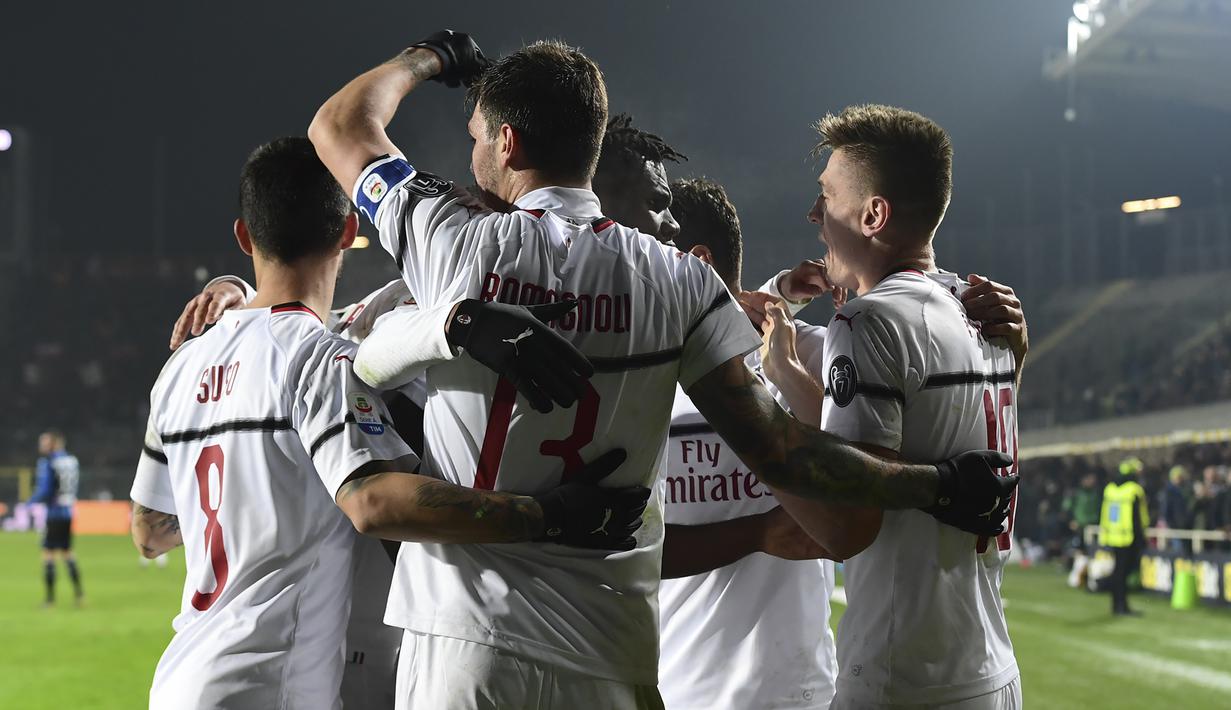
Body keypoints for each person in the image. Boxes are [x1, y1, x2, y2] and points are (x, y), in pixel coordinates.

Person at [309, 31, 1014, 709]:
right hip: (611, 652)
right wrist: (940, 484)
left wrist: (430, 57)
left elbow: (339, 125)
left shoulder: (450, 240)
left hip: (466, 649)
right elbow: (784, 452)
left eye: (476, 139)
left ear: (507, 143)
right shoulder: (679, 280)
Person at [129, 136, 646, 710]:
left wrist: (235, 293)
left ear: (245, 237)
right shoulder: (326, 354)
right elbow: (374, 500)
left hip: (181, 678)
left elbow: (150, 530)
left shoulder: (182, 366)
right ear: (350, 230)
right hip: (278, 684)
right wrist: (550, 516)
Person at [762, 105, 1025, 709]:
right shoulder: (988, 311)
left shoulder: (869, 319)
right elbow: (904, 444)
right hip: (990, 666)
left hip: (905, 676)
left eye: (827, 196)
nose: (814, 214)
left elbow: (847, 524)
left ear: (873, 215)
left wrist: (760, 416)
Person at [28, 430, 83, 606]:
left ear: (53, 444)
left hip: (54, 513)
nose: (41, 446)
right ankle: (79, 596)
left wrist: (30, 503)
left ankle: (50, 600)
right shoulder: (71, 460)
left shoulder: (48, 462)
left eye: (44, 442)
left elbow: (45, 490)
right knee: (67, 552)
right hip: (68, 511)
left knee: (48, 554)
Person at [1099, 457, 1149, 616]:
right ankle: (1121, 605)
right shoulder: (1134, 490)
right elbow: (1139, 516)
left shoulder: (1110, 489)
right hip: (1129, 537)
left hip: (1113, 536)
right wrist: (1142, 537)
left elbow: (1105, 514)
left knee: (1118, 572)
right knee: (1123, 572)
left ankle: (1117, 604)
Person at [1158, 465, 1192, 551]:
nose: (1180, 479)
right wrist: (1169, 523)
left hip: (1182, 525)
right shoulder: (1169, 491)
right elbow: (1166, 508)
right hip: (1175, 525)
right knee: (1177, 549)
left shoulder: (1184, 490)